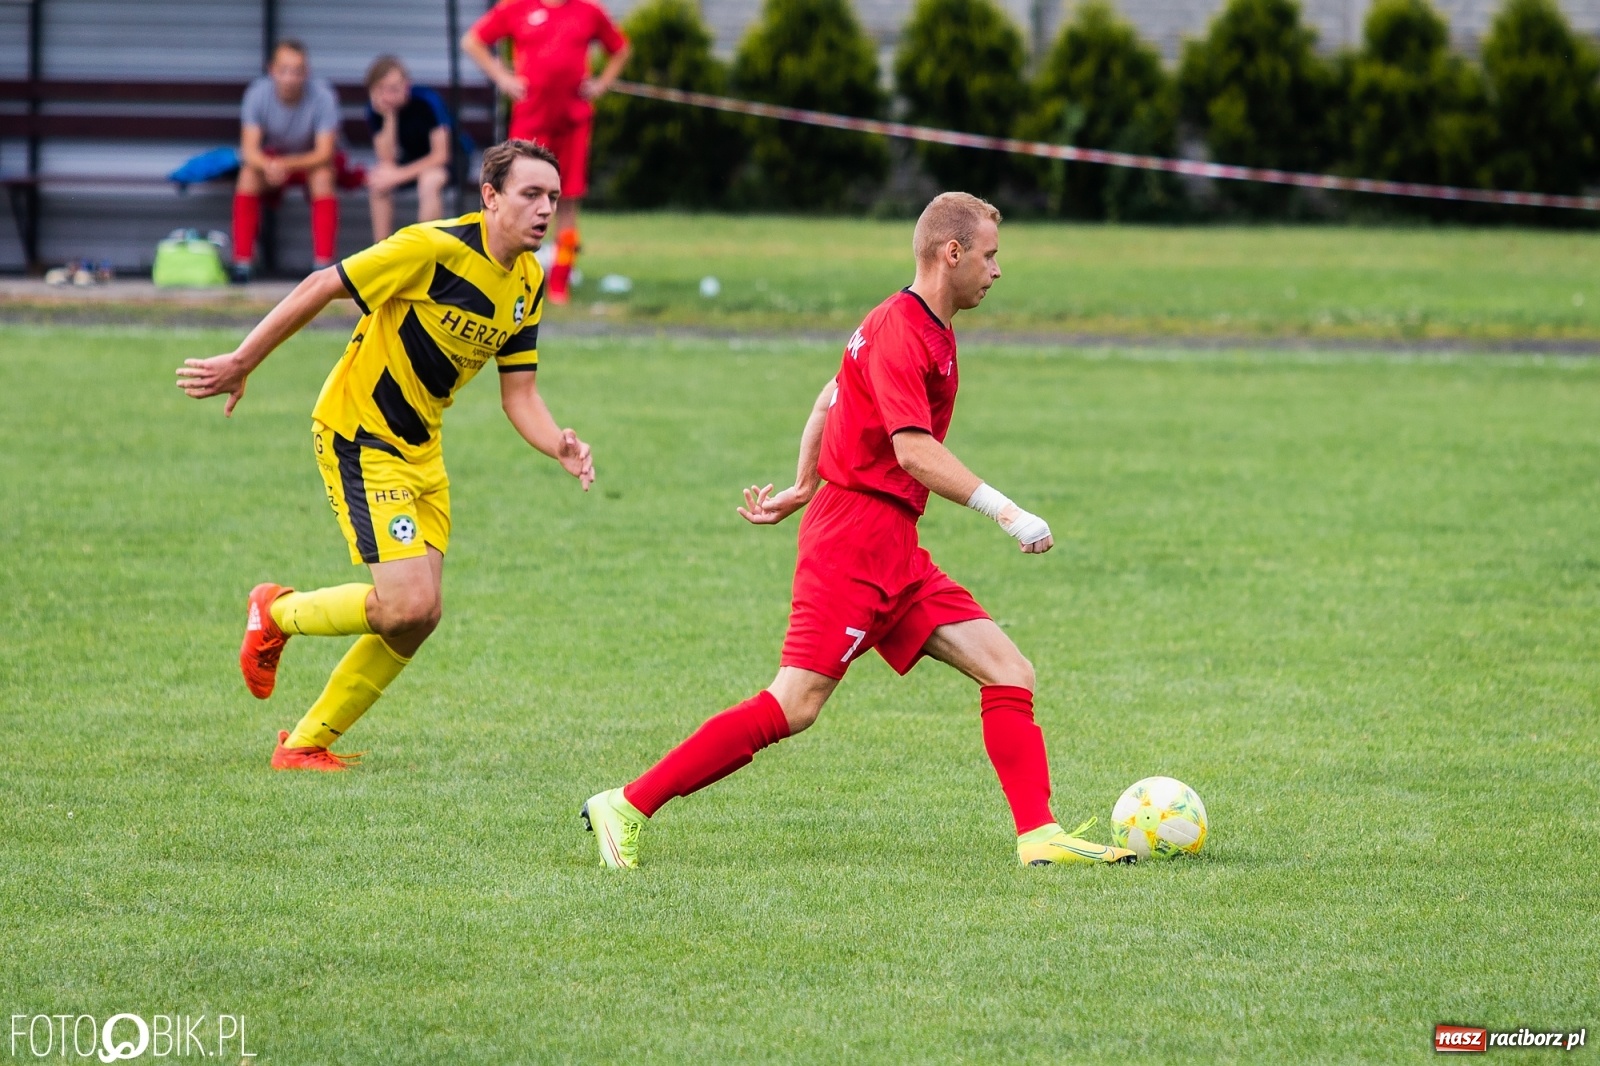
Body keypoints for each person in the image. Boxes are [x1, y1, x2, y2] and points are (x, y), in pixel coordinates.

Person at [580, 193, 1138, 870]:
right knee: (794, 703)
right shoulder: (904, 330)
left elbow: (828, 395)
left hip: (892, 545)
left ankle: (1038, 836)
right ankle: (627, 804)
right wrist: (1007, 511)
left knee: (1008, 670)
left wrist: (804, 483)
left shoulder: (917, 323)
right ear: (950, 253)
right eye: (990, 255)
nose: (997, 270)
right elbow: (913, 451)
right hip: (852, 544)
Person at [178, 141, 595, 771]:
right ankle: (276, 613)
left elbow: (521, 394)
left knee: (419, 617)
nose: (545, 210)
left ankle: (304, 744)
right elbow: (323, 285)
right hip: (359, 432)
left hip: (421, 447)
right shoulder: (433, 249)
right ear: (490, 196)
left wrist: (557, 441)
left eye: (554, 199)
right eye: (530, 194)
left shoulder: (528, 285)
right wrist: (242, 361)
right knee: (405, 604)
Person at [462, 0, 630, 305]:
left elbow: (620, 49)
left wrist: (601, 84)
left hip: (573, 122)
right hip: (530, 122)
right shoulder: (516, 7)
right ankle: (501, 276)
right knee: (515, 200)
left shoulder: (588, 10)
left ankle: (559, 285)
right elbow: (473, 41)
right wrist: (503, 78)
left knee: (567, 202)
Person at [232, 40, 346, 283]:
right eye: (284, 70)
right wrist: (270, 165)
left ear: (307, 72)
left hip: (307, 164)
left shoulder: (324, 96)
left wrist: (284, 165)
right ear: (271, 69)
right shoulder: (257, 94)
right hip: (271, 163)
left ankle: (323, 266)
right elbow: (249, 151)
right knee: (248, 175)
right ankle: (242, 263)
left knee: (324, 176)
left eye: (297, 71)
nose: (290, 78)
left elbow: (324, 153)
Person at [364, 55, 453, 242]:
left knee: (430, 181)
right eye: (383, 89)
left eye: (396, 88)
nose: (390, 94)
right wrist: (389, 116)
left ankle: (425, 251)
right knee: (379, 180)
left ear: (407, 84)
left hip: (449, 162)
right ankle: (381, 254)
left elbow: (441, 155)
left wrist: (398, 175)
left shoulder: (427, 101)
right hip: (409, 163)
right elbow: (387, 158)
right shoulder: (376, 110)